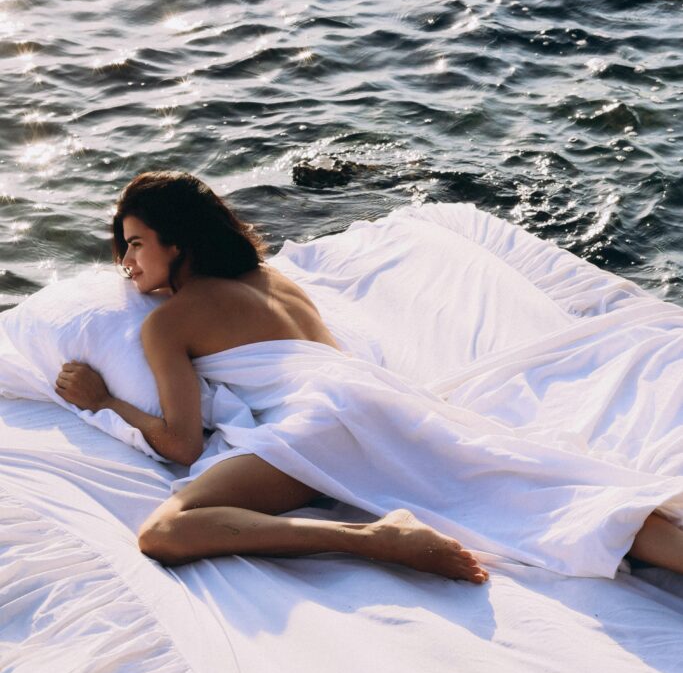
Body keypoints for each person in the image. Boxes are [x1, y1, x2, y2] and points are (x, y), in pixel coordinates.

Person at [54, 171, 683, 582]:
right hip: (382, 398)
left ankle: (373, 539)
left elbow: (181, 443)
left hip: (319, 421)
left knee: (165, 531)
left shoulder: (168, 322)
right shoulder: (275, 280)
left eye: (136, 243)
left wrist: (106, 399)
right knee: (547, 495)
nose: (127, 261)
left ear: (177, 244)